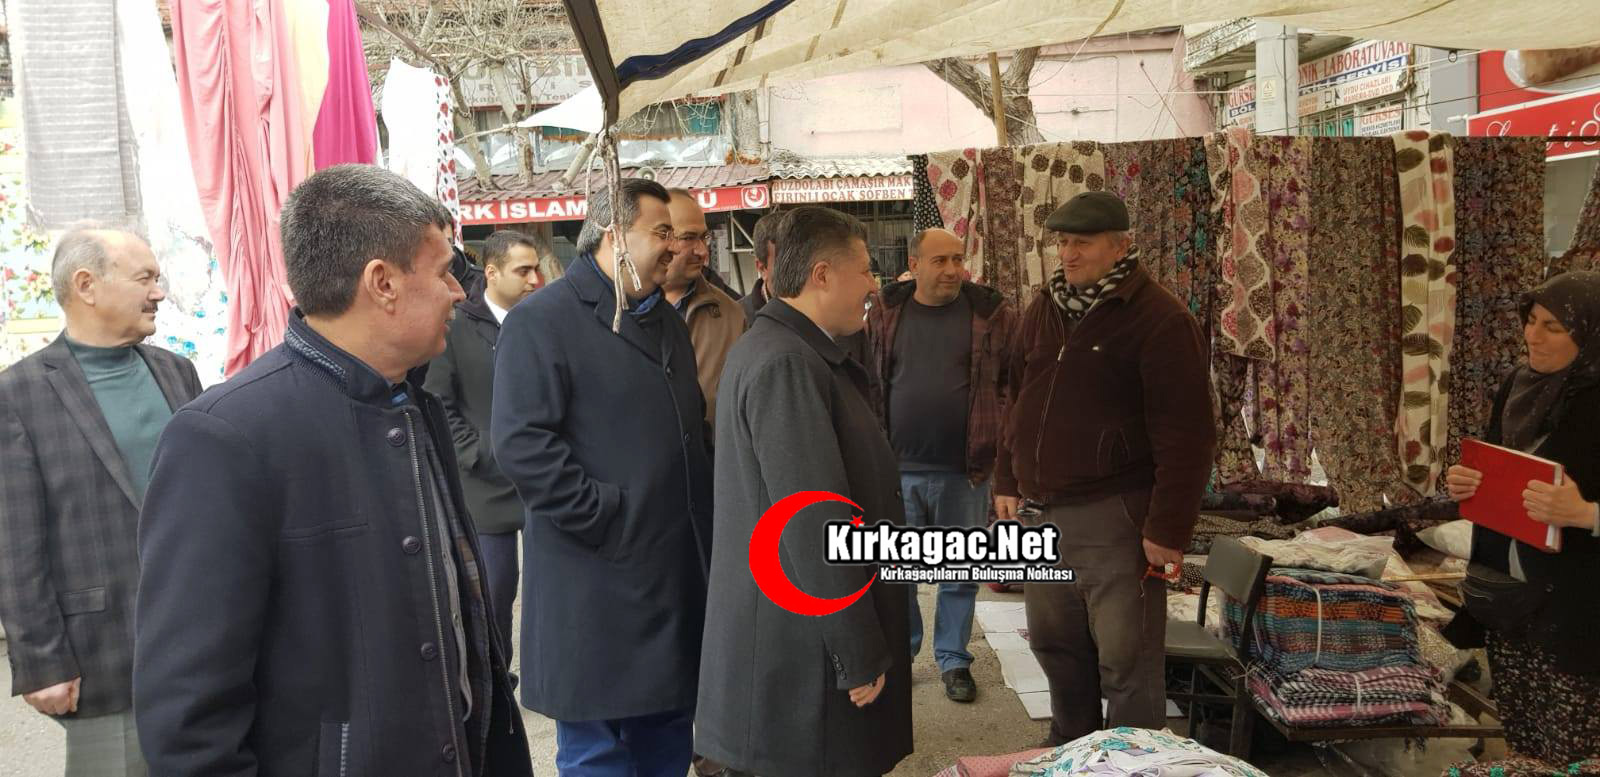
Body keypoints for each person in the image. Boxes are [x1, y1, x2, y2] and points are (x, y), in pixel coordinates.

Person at [134, 165, 534, 777]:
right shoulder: (225, 436)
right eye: (443, 271)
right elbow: (188, 716)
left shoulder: (412, 403)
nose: (459, 292)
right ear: (382, 283)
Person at [491, 178, 712, 777]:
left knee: (666, 740)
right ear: (614, 235)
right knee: (600, 753)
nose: (675, 247)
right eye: (662, 233)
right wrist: (607, 516)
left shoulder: (663, 320)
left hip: (669, 578)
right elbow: (522, 444)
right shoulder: (542, 320)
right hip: (596, 583)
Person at [992, 191, 1214, 746]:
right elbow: (1016, 398)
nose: (1068, 254)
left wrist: (1167, 529)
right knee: (1055, 643)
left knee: (1126, 656)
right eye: (1063, 242)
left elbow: (1188, 435)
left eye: (1082, 243)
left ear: (1121, 246)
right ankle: (1072, 747)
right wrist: (1006, 478)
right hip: (1042, 514)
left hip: (1114, 513)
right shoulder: (1045, 307)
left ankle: (1133, 757)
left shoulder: (1160, 318)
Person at [697, 206, 912, 777]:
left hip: (800, 637)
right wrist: (857, 649)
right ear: (822, 275)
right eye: (864, 271)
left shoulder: (793, 350)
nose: (873, 286)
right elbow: (814, 525)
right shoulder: (786, 362)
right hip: (800, 654)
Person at [0, 228, 201, 777]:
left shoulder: (178, 373)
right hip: (105, 655)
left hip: (205, 643)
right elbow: (15, 542)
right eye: (145, 278)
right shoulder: (18, 395)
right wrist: (41, 660)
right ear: (86, 285)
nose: (159, 292)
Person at [1442, 271, 1600, 772]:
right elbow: (1500, 466)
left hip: (1580, 615)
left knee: (1575, 754)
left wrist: (1586, 513)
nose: (1533, 335)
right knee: (1524, 747)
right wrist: (1468, 484)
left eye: (1554, 327)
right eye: (1531, 320)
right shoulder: (1519, 385)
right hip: (1511, 599)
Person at [864, 227, 1016, 703]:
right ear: (914, 264)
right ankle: (903, 654)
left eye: (957, 259)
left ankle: (953, 660)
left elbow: (1011, 385)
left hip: (964, 472)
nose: (952, 270)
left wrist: (1002, 454)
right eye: (940, 260)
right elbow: (868, 380)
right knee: (898, 574)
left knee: (960, 573)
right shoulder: (885, 313)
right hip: (897, 471)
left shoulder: (989, 314)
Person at [425, 229, 549, 660]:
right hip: (483, 486)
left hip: (543, 478)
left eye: (537, 269)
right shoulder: (455, 326)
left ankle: (545, 672)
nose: (535, 279)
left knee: (551, 594)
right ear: (492, 273)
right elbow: (438, 403)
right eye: (524, 270)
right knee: (493, 594)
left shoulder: (545, 322)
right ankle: (497, 679)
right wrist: (478, 451)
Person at [660, 189, 748, 432]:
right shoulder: (618, 312)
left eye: (704, 237)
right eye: (688, 238)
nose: (702, 251)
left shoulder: (732, 314)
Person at [737, 210, 785, 323]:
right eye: (784, 263)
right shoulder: (736, 319)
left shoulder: (821, 313)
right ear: (762, 268)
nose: (798, 270)